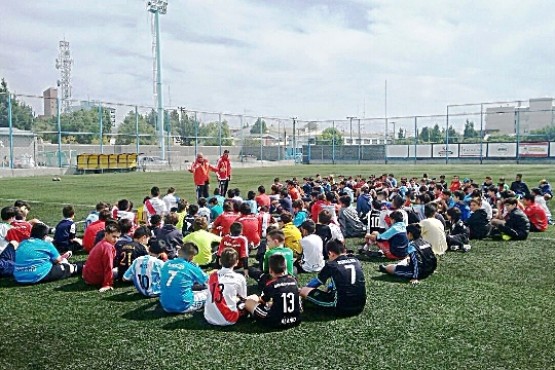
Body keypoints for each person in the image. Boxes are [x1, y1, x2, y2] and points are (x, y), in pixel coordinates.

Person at [300, 240, 366, 317]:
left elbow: (316, 283)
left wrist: (305, 290)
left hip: (341, 307)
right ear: (344, 250)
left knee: (304, 290)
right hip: (360, 305)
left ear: (330, 253)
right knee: (332, 287)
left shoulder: (331, 265)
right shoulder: (356, 261)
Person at [245, 254, 301, 329]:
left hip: (275, 322)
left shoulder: (271, 285)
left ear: (270, 271)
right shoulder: (294, 281)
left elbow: (263, 300)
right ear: (285, 269)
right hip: (296, 319)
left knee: (249, 301)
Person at [13, 223, 81, 284]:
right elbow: (58, 260)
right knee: (68, 266)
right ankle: (79, 268)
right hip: (36, 275)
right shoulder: (46, 244)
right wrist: (64, 257)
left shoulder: (22, 243)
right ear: (45, 236)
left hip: (19, 276)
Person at [159, 242, 209, 314]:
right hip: (182, 306)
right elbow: (207, 281)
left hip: (165, 305)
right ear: (191, 256)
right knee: (208, 293)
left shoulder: (167, 264)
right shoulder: (190, 267)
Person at [204, 248, 247, 326]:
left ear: (220, 261)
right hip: (229, 319)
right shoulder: (239, 278)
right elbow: (243, 297)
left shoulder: (211, 275)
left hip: (209, 317)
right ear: (237, 262)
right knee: (248, 300)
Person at [82, 223, 122, 292]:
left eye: (118, 237)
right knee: (122, 270)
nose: (116, 240)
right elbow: (108, 266)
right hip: (96, 279)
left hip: (88, 277)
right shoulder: (108, 247)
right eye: (114, 237)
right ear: (106, 234)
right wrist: (107, 284)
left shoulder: (102, 243)